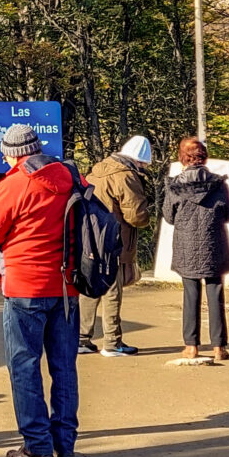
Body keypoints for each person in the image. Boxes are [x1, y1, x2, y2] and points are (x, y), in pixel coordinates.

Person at [0, 123, 81, 457]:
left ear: (13, 154)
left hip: (25, 287)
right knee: (64, 366)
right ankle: (64, 443)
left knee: (24, 365)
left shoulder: (16, 183)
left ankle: (37, 445)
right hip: (67, 285)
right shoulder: (70, 176)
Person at [78, 135, 153, 357]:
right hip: (115, 241)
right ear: (139, 161)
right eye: (144, 164)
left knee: (90, 288)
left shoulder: (96, 171)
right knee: (112, 291)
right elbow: (136, 215)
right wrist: (147, 215)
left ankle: (82, 338)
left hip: (91, 238)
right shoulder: (127, 176)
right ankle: (112, 342)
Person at [162, 136, 229, 362]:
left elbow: (168, 216)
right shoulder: (217, 183)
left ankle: (191, 346)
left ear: (183, 158)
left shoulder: (175, 185)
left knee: (190, 294)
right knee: (216, 295)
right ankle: (219, 348)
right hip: (213, 243)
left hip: (186, 244)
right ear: (204, 157)